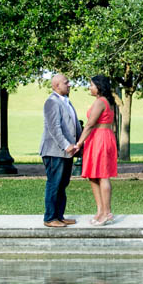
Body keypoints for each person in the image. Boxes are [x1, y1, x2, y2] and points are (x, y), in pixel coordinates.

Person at [75, 75, 118, 226]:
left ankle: (107, 212)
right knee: (93, 175)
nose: (89, 88)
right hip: (97, 138)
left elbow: (90, 124)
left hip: (100, 138)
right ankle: (100, 210)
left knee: (102, 175)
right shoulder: (105, 101)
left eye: (92, 85)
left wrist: (79, 143)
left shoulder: (101, 102)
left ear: (99, 87)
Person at [39, 73, 80, 228]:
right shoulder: (51, 102)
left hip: (66, 152)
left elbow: (74, 125)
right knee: (54, 183)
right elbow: (54, 128)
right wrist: (66, 145)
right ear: (56, 86)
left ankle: (59, 216)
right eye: (66, 82)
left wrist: (78, 144)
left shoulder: (66, 102)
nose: (69, 84)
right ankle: (49, 218)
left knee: (63, 183)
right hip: (54, 151)